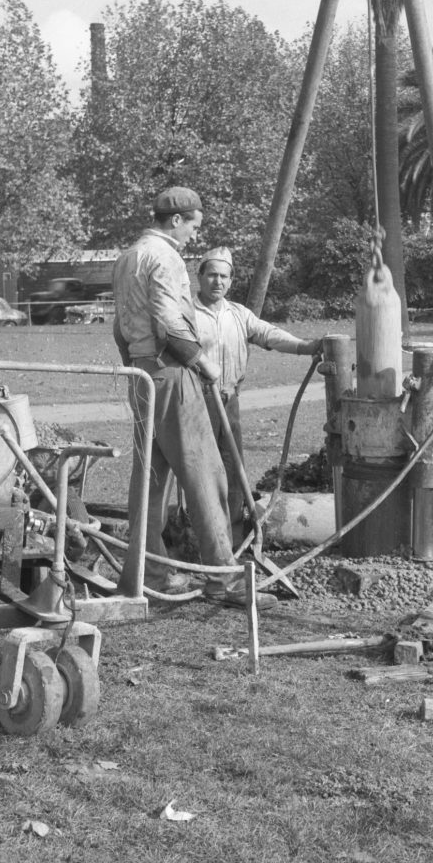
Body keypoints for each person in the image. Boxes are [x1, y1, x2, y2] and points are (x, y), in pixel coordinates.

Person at [111, 186, 273, 607]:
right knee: (207, 473)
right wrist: (201, 361)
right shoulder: (165, 257)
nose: (194, 236)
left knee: (149, 479)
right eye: (194, 226)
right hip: (170, 371)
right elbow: (169, 322)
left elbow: (118, 328)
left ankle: (149, 572)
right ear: (178, 220)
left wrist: (137, 365)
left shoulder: (129, 256)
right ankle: (224, 577)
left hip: (140, 373)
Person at [192, 246, 323, 535]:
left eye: (224, 276)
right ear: (199, 276)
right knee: (200, 470)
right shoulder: (187, 314)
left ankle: (233, 534)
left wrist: (307, 347)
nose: (218, 282)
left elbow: (269, 334)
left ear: (231, 280)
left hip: (229, 400)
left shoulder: (237, 314)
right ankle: (200, 535)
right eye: (212, 275)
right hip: (196, 401)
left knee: (233, 467)